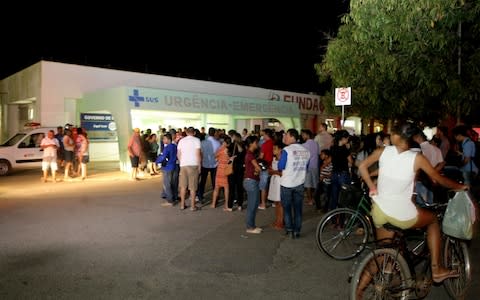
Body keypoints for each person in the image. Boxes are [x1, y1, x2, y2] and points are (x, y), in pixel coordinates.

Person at [358, 122, 468, 285]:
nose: (389, 135)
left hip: (379, 210)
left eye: (392, 133)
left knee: (382, 254)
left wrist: (372, 185)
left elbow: (362, 166)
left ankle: (359, 290)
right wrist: (460, 186)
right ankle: (437, 269)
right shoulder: (417, 158)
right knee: (433, 221)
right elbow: (438, 179)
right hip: (402, 214)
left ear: (397, 136)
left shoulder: (382, 152)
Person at [278, 129, 311, 239]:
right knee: (298, 209)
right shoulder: (306, 151)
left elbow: (280, 166)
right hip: (300, 184)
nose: (285, 138)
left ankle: (289, 229)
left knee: (287, 208)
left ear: (292, 137)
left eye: (286, 135)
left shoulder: (286, 150)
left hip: (287, 184)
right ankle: (297, 230)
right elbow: (306, 167)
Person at [177, 127, 202, 211]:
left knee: (183, 186)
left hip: (183, 165)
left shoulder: (181, 141)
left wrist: (181, 162)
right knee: (193, 187)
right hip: (193, 165)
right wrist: (199, 166)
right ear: (194, 132)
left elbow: (178, 154)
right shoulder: (197, 140)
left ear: (186, 132)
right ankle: (192, 206)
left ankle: (182, 205)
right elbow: (198, 154)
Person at [243, 135, 263, 234]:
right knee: (252, 205)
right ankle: (250, 227)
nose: (257, 144)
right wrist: (260, 166)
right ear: (251, 144)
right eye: (256, 142)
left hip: (250, 180)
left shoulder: (250, 154)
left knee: (253, 204)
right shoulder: (250, 154)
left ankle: (252, 225)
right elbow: (258, 168)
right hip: (251, 181)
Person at [155, 133, 178, 206]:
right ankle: (175, 197)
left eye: (164, 139)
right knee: (174, 183)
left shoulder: (167, 148)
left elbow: (163, 157)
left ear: (168, 139)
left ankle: (170, 201)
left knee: (167, 184)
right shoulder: (175, 146)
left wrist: (157, 161)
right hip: (174, 166)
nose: (163, 140)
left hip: (167, 167)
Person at [211, 136, 233, 211]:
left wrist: (219, 158)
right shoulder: (228, 150)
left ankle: (213, 204)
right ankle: (226, 205)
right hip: (226, 170)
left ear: (224, 142)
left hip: (219, 169)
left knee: (216, 188)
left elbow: (215, 156)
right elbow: (230, 159)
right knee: (226, 188)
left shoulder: (220, 149)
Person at [268, 141, 285, 230]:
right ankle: (277, 220)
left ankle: (281, 222)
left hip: (280, 181)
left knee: (280, 203)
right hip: (274, 181)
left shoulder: (283, 159)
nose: (273, 150)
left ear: (280, 150)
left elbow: (282, 173)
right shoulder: (275, 159)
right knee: (276, 202)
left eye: (275, 149)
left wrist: (273, 172)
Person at [301, 129, 319, 206]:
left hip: (308, 166)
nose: (302, 136)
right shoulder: (316, 144)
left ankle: (310, 200)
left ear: (307, 135)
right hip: (315, 165)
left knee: (308, 184)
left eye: (303, 135)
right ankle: (315, 199)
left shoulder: (304, 145)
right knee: (315, 184)